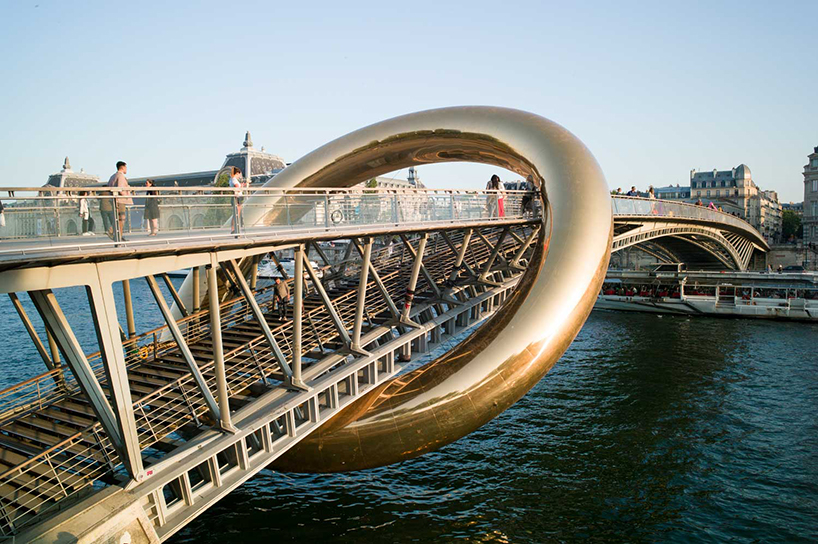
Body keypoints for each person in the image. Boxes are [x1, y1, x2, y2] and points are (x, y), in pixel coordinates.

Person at [108, 161, 132, 241]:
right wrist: (126, 196)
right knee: (121, 218)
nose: (126, 169)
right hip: (120, 200)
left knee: (117, 217)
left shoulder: (113, 176)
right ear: (123, 167)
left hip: (114, 200)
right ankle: (116, 234)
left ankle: (117, 235)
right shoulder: (120, 176)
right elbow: (120, 188)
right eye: (126, 167)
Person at [229, 167, 244, 234]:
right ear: (236, 173)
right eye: (238, 174)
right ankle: (234, 228)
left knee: (236, 213)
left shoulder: (231, 179)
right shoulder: (234, 179)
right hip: (237, 197)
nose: (239, 176)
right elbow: (237, 186)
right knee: (236, 213)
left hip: (236, 197)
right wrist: (241, 187)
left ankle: (234, 228)